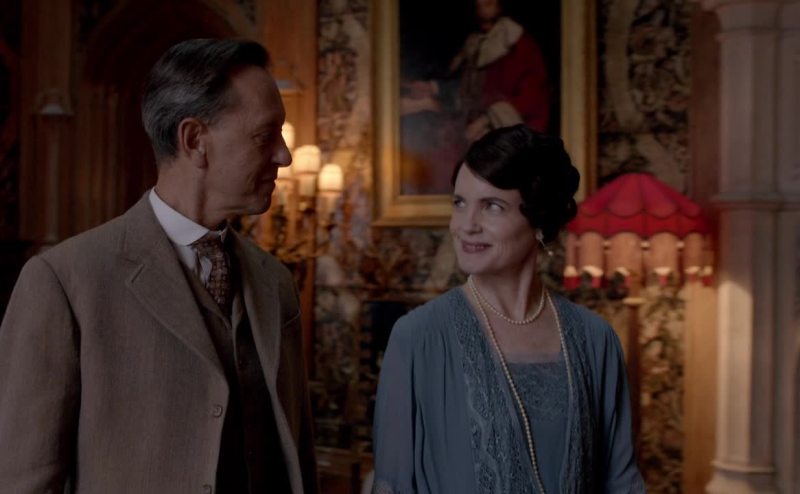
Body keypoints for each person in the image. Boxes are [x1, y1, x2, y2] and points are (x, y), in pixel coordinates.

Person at [0, 39, 317, 493]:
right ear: (194, 141)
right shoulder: (63, 282)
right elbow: (23, 481)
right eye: (265, 135)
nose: (284, 155)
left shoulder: (276, 281)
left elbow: (295, 459)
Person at [372, 124, 645, 493]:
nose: (466, 225)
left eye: (492, 206)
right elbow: (391, 485)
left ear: (539, 220)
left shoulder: (596, 340)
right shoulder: (418, 338)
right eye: (459, 203)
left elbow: (623, 483)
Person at [399, 0, 551, 194]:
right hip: (467, 123)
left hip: (501, 128)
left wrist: (487, 120)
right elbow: (467, 89)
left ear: (500, 5)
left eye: (489, 2)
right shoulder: (475, 42)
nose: (483, 4)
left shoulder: (518, 44)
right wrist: (432, 88)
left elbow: (532, 98)